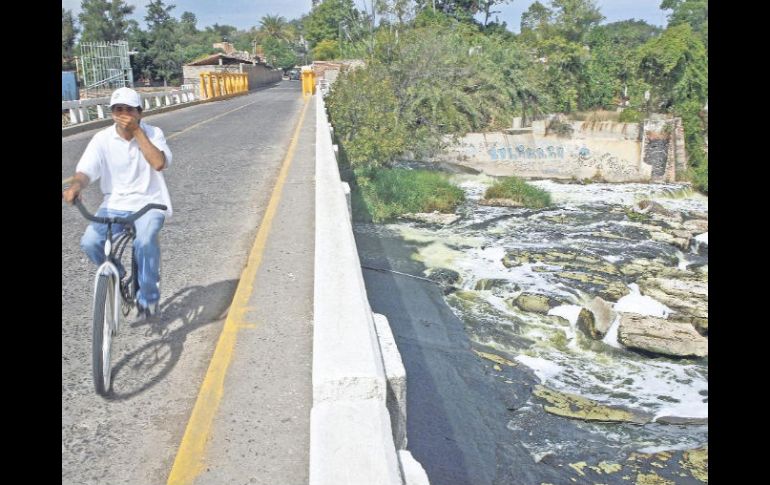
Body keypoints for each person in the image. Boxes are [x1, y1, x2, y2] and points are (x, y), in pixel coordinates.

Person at [62, 87, 173, 320]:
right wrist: (76, 186)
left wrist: (137, 132)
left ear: (139, 113)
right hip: (115, 202)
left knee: (144, 241)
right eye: (118, 109)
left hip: (150, 203)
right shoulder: (102, 139)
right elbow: (86, 170)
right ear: (112, 113)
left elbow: (159, 163)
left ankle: (149, 299)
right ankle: (117, 273)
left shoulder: (153, 133)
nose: (124, 114)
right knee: (90, 241)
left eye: (129, 109)